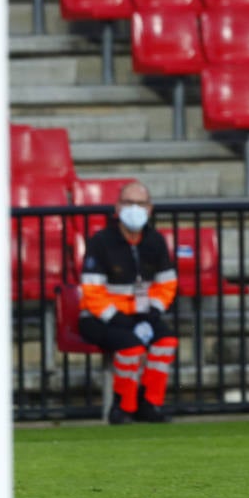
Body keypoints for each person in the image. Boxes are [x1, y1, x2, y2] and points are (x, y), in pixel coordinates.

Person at [78, 180, 179, 424]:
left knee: (166, 341)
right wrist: (119, 319)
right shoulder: (101, 242)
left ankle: (150, 404)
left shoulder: (155, 241)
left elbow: (167, 284)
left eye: (140, 203)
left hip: (141, 314)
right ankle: (123, 406)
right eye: (128, 202)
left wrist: (152, 312)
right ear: (117, 207)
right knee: (131, 346)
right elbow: (92, 292)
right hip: (99, 317)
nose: (134, 208)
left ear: (150, 208)